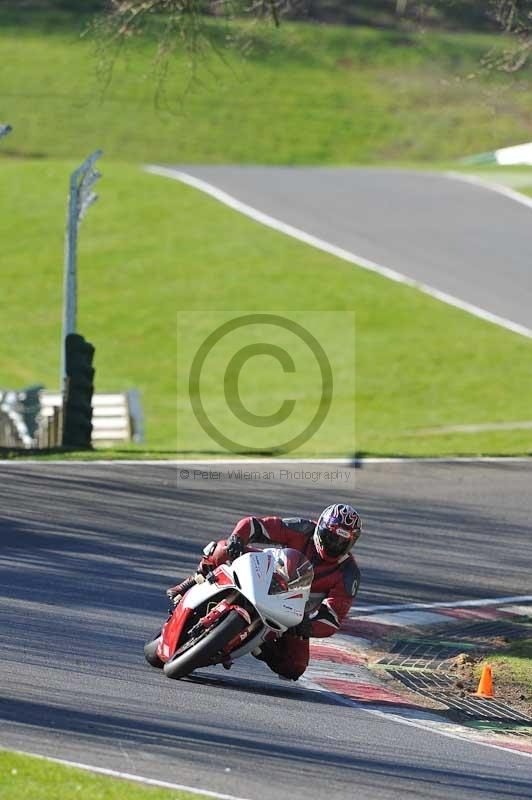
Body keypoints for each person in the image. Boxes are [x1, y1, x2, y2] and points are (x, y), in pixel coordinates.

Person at [166, 503, 362, 681]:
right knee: (223, 548)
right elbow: (255, 525)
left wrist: (307, 626)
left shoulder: (348, 574)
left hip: (291, 613)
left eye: (341, 542)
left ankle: (259, 647)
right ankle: (191, 582)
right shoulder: (302, 528)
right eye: (330, 537)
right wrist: (238, 537)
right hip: (267, 574)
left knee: (295, 666)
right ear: (320, 528)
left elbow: (333, 618)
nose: (333, 545)